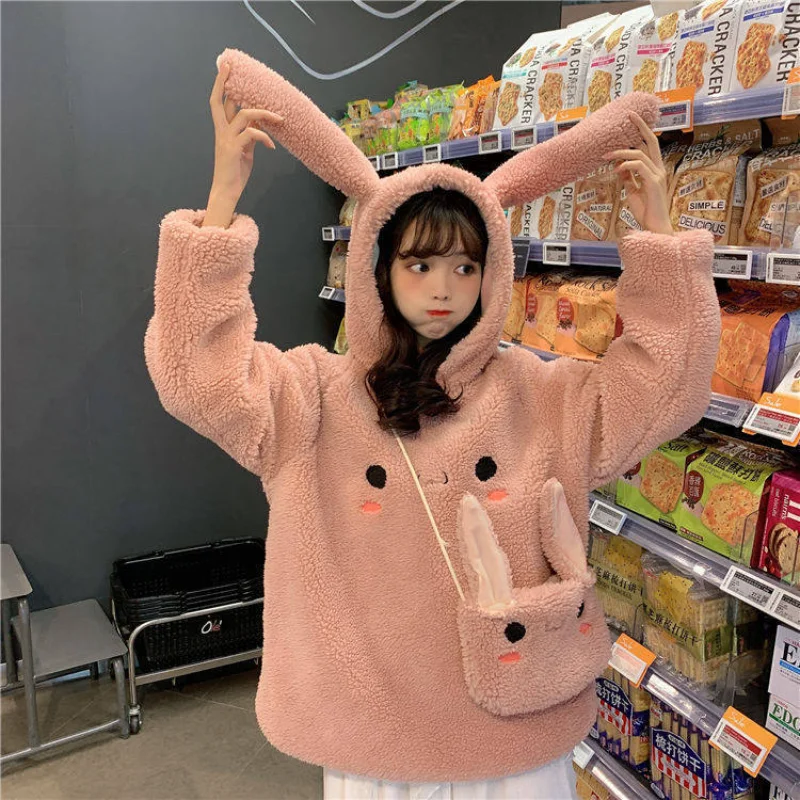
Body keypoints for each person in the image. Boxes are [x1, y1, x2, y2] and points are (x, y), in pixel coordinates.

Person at [144, 48, 720, 800]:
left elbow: (663, 389)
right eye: (419, 265)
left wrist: (662, 242)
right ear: (378, 269)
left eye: (465, 266)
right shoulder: (312, 396)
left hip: (512, 729)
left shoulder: (538, 394)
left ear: (493, 273)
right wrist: (221, 206)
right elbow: (197, 375)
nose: (444, 288)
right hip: (373, 740)